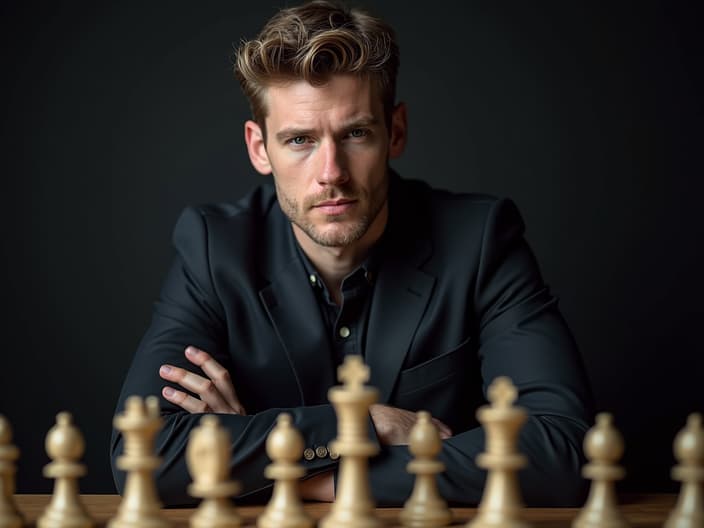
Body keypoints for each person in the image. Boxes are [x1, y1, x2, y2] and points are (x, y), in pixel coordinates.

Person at [111, 0, 593, 507]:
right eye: (299, 140)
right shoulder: (215, 249)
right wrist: (363, 424)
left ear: (396, 131)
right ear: (259, 148)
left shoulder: (480, 240)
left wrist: (293, 473)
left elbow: (562, 451)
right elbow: (143, 457)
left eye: (355, 133)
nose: (331, 172)